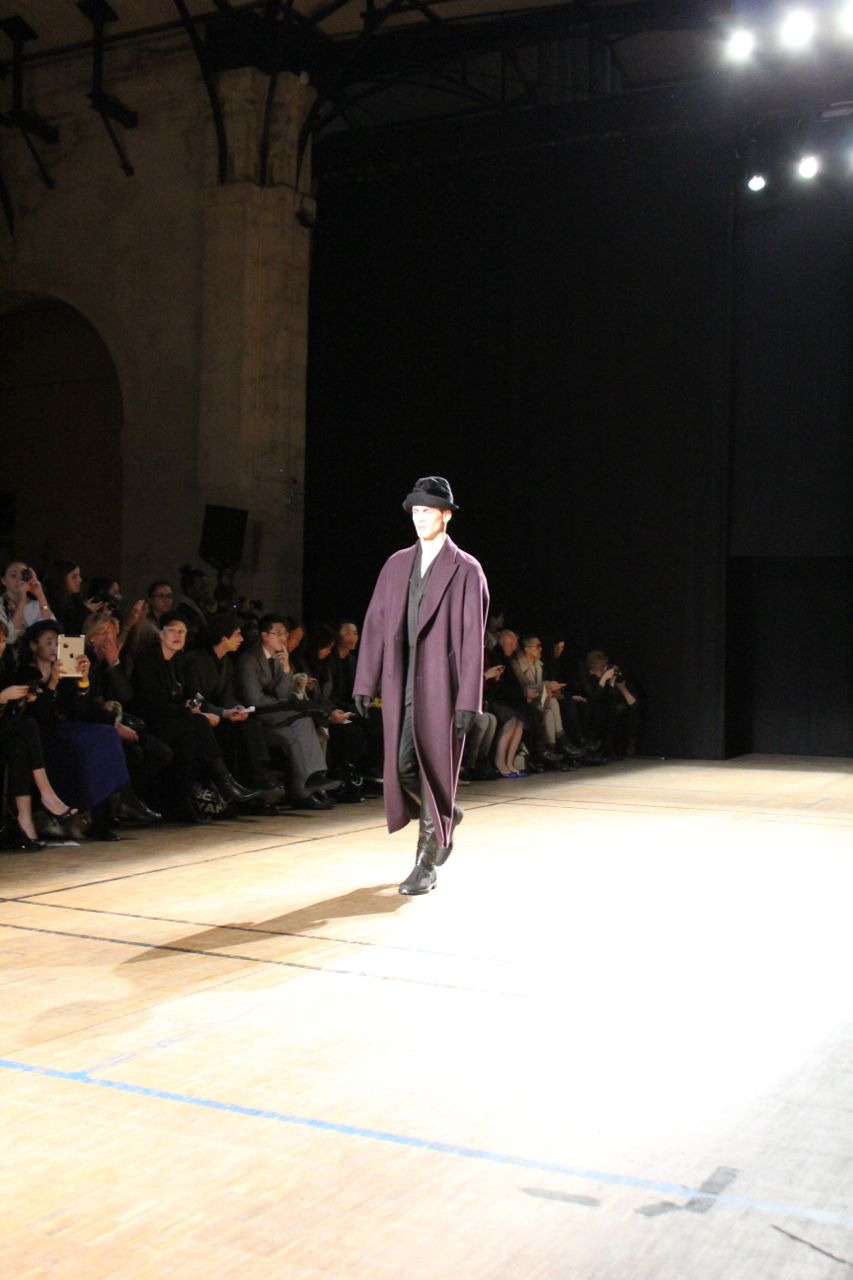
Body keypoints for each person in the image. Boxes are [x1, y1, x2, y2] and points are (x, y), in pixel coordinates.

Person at [354, 476, 489, 896]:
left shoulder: (466, 569)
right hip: (401, 680)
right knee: (401, 768)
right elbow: (375, 623)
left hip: (443, 686)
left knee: (435, 768)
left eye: (427, 510)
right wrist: (365, 680)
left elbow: (473, 639)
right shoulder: (396, 564)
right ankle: (445, 812)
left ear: (446, 515)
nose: (420, 517)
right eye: (415, 510)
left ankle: (425, 864)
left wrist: (469, 699)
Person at [130, 612, 260, 822]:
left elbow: (186, 698)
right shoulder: (148, 661)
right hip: (150, 722)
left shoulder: (178, 661)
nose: (177, 635)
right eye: (172, 630)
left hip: (174, 720)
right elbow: (154, 703)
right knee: (198, 725)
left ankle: (187, 803)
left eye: (182, 632)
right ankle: (224, 782)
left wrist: (192, 707)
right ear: (161, 634)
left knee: (193, 739)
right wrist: (194, 713)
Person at [236, 614, 343, 810]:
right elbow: (254, 700)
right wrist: (282, 704)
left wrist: (285, 668)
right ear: (264, 635)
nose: (283, 638)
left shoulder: (282, 657)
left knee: (299, 727)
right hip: (256, 716)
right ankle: (307, 786)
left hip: (279, 716)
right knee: (303, 714)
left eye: (285, 633)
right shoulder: (249, 659)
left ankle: (308, 785)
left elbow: (285, 694)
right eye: (277, 633)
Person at [0, 618, 77, 850]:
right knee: (27, 726)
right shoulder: (23, 667)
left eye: (2, 641)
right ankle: (47, 793)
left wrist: (20, 699)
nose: (1, 646)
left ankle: (26, 823)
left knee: (19, 745)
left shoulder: (4, 665)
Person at [0, 562, 55, 645]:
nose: (19, 580)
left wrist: (40, 595)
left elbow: (51, 627)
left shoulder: (35, 605)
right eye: (13, 575)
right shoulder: (1, 605)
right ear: (3, 580)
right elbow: (9, 638)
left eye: (23, 575)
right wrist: (22, 600)